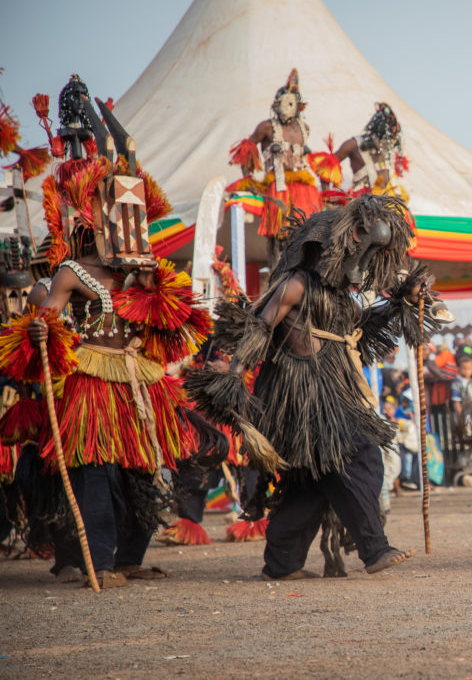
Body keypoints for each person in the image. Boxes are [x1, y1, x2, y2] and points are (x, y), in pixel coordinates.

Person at [0, 78, 212, 588]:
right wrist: (40, 325)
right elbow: (47, 313)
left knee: (145, 469)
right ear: (94, 221)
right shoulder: (74, 269)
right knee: (94, 470)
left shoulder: (147, 268)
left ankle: (129, 556)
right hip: (93, 378)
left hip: (142, 378)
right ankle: (96, 560)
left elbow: (173, 320)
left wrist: (152, 284)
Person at [187, 195, 447, 580]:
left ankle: (281, 564)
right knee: (360, 450)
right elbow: (260, 326)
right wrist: (233, 373)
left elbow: (366, 326)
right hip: (300, 397)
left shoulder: (340, 297)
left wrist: (403, 303)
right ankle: (373, 548)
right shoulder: (294, 284)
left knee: (311, 482)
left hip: (335, 391)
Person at [228, 69, 323, 247]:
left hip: (304, 186)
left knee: (308, 230)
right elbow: (247, 149)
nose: (285, 108)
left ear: (298, 106)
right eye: (282, 103)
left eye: (290, 104)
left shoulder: (304, 128)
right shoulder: (266, 127)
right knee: (281, 232)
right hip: (278, 185)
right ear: (276, 104)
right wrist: (248, 178)